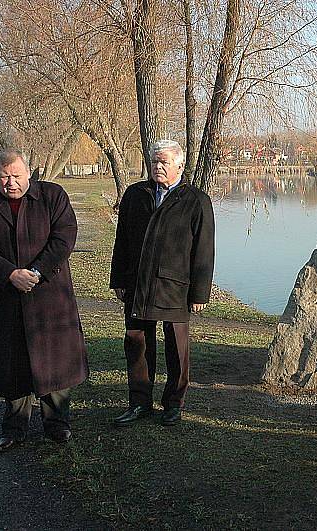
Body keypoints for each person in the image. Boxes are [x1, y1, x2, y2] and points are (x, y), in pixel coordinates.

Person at [0, 150, 88, 452]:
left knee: (54, 361)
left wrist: (36, 271)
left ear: (28, 171)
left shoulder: (52, 196)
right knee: (14, 363)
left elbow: (64, 237)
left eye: (16, 175)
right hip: (9, 295)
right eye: (4, 177)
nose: (11, 182)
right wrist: (9, 274)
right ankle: (14, 427)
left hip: (49, 294)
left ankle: (57, 424)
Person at [110, 140, 214, 426]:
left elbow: (204, 250)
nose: (157, 166)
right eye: (155, 161)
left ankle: (173, 404)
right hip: (137, 283)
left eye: (164, 162)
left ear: (179, 166)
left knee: (176, 347)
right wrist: (118, 279)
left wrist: (200, 293)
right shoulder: (135, 195)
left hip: (175, 286)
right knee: (136, 343)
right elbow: (122, 241)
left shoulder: (195, 200)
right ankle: (139, 402)